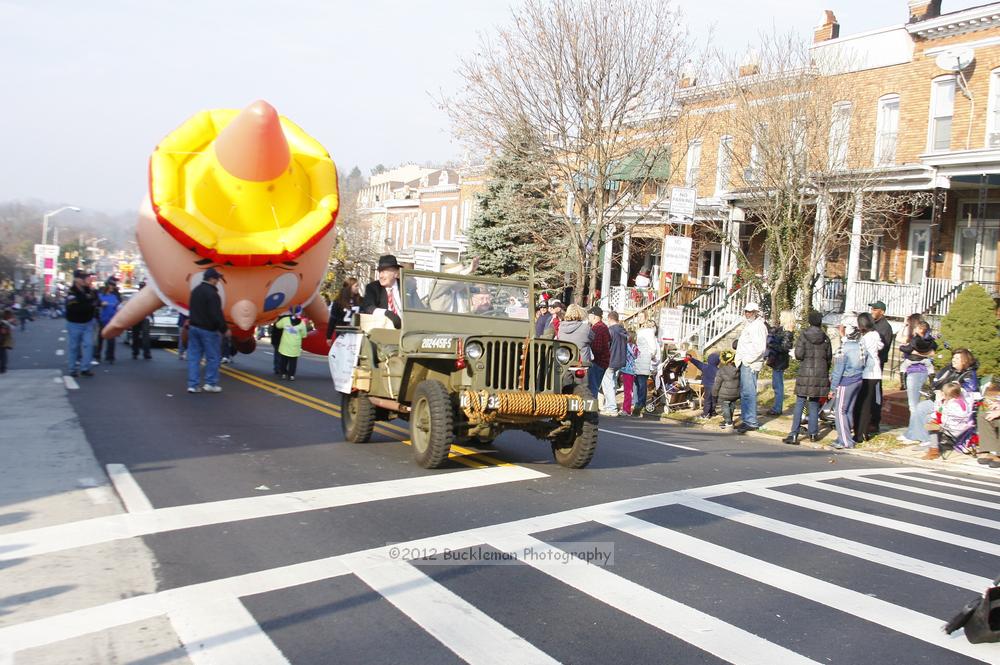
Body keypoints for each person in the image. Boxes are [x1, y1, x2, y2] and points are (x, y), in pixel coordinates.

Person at [910, 348, 980, 459]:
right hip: (944, 403)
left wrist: (944, 395)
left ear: (965, 360)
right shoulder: (951, 370)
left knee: (927, 414)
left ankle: (931, 445)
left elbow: (963, 394)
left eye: (957, 358)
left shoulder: (969, 375)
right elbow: (938, 382)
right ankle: (923, 439)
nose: (954, 360)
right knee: (921, 408)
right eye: (953, 357)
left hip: (955, 413)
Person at [783, 311, 832, 445]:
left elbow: (799, 354)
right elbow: (829, 358)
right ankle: (813, 433)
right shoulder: (826, 338)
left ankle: (794, 434)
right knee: (814, 403)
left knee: (800, 402)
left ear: (809, 321)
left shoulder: (803, 336)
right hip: (820, 373)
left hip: (805, 371)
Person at [186, 267, 228, 393]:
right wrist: (224, 329)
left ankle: (192, 385)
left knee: (194, 357)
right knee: (213, 357)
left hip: (194, 328)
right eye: (216, 279)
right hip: (209, 330)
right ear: (211, 279)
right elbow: (216, 315)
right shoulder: (213, 294)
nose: (217, 281)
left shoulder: (195, 291)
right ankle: (210, 383)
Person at [828, 315, 866, 450]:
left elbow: (838, 371)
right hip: (858, 380)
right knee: (848, 410)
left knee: (839, 411)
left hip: (846, 381)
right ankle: (846, 437)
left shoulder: (843, 349)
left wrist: (832, 388)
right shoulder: (861, 346)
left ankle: (845, 440)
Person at [735, 302, 768, 432]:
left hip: (750, 363)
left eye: (750, 312)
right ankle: (746, 419)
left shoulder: (758, 326)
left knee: (749, 393)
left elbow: (760, 348)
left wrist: (748, 360)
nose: (748, 314)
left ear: (756, 312)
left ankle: (751, 421)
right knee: (745, 393)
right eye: (746, 311)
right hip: (746, 362)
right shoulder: (751, 325)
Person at [852, 312, 885, 444]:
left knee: (861, 404)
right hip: (875, 372)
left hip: (866, 373)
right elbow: (881, 346)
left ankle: (859, 433)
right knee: (867, 403)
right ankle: (864, 432)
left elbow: (860, 354)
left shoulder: (865, 338)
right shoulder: (876, 335)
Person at [64, 270, 99, 378]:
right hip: (74, 323)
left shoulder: (89, 290)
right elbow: (74, 308)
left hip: (88, 322)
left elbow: (96, 301)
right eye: (83, 277)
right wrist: (90, 305)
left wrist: (93, 295)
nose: (86, 280)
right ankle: (72, 369)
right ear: (76, 279)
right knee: (74, 347)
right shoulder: (72, 292)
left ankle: (85, 368)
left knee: (89, 345)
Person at [868, 300, 894, 434]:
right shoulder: (872, 324)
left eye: (875, 309)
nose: (872, 311)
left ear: (882, 312)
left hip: (877, 364)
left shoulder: (885, 327)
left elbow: (882, 347)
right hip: (867, 364)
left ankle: (874, 422)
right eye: (872, 308)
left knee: (875, 393)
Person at [765, 310, 795, 415]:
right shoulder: (781, 330)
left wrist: (772, 346)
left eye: (782, 316)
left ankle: (777, 408)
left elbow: (785, 347)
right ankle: (776, 407)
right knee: (776, 385)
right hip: (777, 360)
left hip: (780, 361)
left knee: (778, 386)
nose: (780, 318)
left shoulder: (788, 332)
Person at [935, 382, 977, 457]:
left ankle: (934, 448)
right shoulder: (963, 401)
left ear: (946, 395)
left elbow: (939, 411)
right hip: (965, 428)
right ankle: (963, 443)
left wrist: (938, 401)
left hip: (952, 429)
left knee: (931, 422)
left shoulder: (949, 405)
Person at [362, 255, 403, 328]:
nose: (380, 276)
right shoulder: (373, 288)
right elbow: (368, 307)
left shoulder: (405, 287)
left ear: (395, 273)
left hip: (407, 331)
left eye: (384, 271)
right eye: (380, 271)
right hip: (384, 330)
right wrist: (387, 313)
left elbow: (417, 308)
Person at [601, 311, 628, 417]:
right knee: (612, 384)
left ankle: (611, 408)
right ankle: (609, 407)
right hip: (620, 360)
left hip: (611, 360)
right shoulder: (623, 330)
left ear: (609, 319)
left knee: (608, 384)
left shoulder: (610, 331)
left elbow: (606, 346)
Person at [633, 312, 658, 417]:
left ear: (646, 318)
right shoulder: (638, 330)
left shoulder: (648, 331)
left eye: (642, 316)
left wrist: (649, 356)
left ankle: (640, 405)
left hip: (643, 359)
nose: (639, 318)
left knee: (642, 382)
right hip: (636, 359)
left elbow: (653, 347)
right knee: (636, 383)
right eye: (638, 317)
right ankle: (636, 403)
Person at [556, 303, 592, 372]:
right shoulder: (585, 328)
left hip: (564, 362)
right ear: (580, 313)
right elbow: (592, 338)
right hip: (581, 364)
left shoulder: (561, 327)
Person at [275, 305, 308, 380]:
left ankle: (283, 373)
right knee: (293, 361)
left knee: (283, 360)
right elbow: (304, 335)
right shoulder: (302, 323)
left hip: (285, 344)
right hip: (295, 346)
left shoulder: (285, 320)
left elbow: (278, 325)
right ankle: (291, 375)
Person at [95, 278, 122, 364]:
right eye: (111, 285)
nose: (112, 287)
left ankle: (110, 356)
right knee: (101, 337)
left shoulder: (114, 296)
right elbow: (96, 304)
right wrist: (101, 304)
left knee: (111, 339)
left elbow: (118, 305)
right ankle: (97, 355)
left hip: (112, 320)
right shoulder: (100, 296)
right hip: (103, 319)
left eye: (113, 286)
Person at [687, 351, 720, 420]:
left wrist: (691, 359)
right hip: (716, 387)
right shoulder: (718, 370)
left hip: (708, 386)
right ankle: (712, 412)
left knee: (707, 400)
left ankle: (705, 414)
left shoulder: (705, 367)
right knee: (714, 400)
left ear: (708, 360)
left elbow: (698, 363)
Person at [587, 306, 611, 401]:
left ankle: (591, 412)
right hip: (603, 362)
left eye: (589, 315)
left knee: (593, 388)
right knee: (595, 386)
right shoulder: (603, 327)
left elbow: (597, 349)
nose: (588, 317)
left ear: (594, 316)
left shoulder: (597, 328)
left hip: (597, 362)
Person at [713, 350, 741, 430]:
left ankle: (728, 422)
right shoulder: (738, 370)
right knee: (732, 405)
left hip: (724, 394)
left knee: (725, 406)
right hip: (735, 393)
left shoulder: (721, 371)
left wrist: (714, 394)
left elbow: (717, 384)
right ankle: (730, 420)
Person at [620, 331, 640, 416]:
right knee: (630, 390)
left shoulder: (626, 346)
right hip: (633, 370)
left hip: (626, 370)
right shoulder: (636, 347)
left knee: (627, 391)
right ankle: (626, 408)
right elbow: (637, 356)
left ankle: (626, 409)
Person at [0, 309, 14, 373]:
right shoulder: (5, 322)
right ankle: (3, 368)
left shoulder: (4, 322)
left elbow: (4, 331)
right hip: (3, 339)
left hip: (2, 339)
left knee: (3, 354)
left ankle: (3, 368)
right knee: (3, 354)